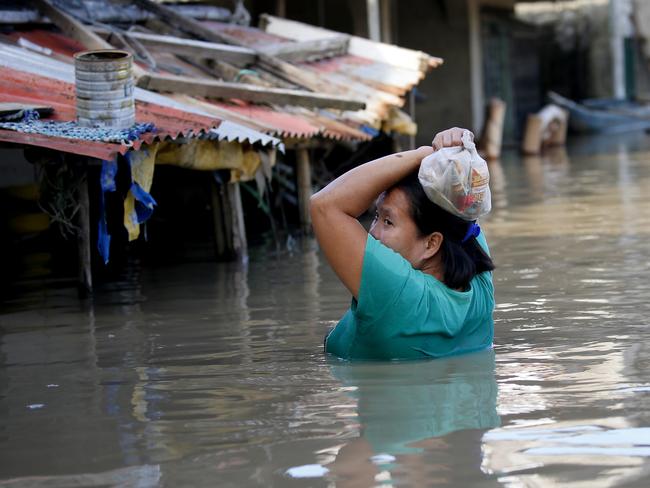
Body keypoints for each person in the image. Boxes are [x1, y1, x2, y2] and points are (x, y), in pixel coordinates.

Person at [310, 127, 495, 360]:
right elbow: (467, 207)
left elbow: (325, 205)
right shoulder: (479, 282)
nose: (372, 233)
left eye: (388, 221)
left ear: (431, 244)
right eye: (376, 217)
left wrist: (423, 154)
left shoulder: (401, 294)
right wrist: (451, 153)